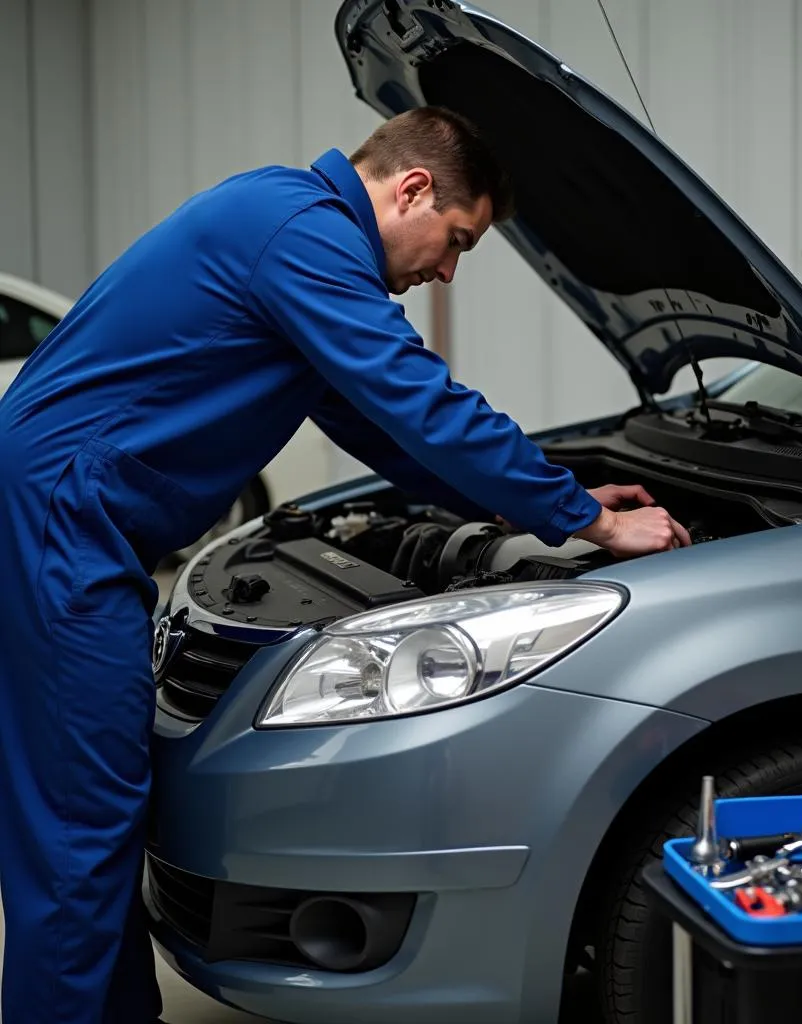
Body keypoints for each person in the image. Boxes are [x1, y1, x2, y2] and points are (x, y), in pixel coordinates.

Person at [0, 106, 689, 1023]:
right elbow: (413, 390)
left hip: (62, 513)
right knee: (79, 821)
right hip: (58, 520)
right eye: (457, 241)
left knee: (85, 810)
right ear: (411, 189)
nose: (445, 269)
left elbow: (380, 424)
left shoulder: (281, 219)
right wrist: (588, 528)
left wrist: (546, 503)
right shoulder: (300, 233)